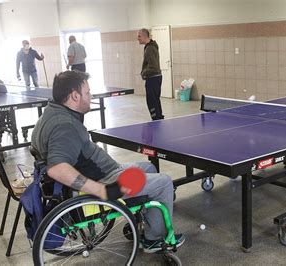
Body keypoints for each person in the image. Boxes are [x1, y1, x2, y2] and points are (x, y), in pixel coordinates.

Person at [30, 70, 184, 253]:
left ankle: (141, 221)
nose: (91, 96)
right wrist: (101, 190)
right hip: (105, 178)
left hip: (105, 170)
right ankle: (154, 240)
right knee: (164, 183)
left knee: (149, 167)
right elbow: (57, 169)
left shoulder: (51, 112)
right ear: (74, 96)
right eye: (87, 93)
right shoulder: (65, 126)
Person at [137, 28, 164, 120]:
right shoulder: (151, 47)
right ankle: (159, 117)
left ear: (145, 36)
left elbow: (153, 66)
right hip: (156, 78)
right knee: (155, 100)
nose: (138, 38)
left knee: (152, 101)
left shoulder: (149, 48)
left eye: (139, 36)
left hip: (153, 78)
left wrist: (144, 73)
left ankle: (156, 119)